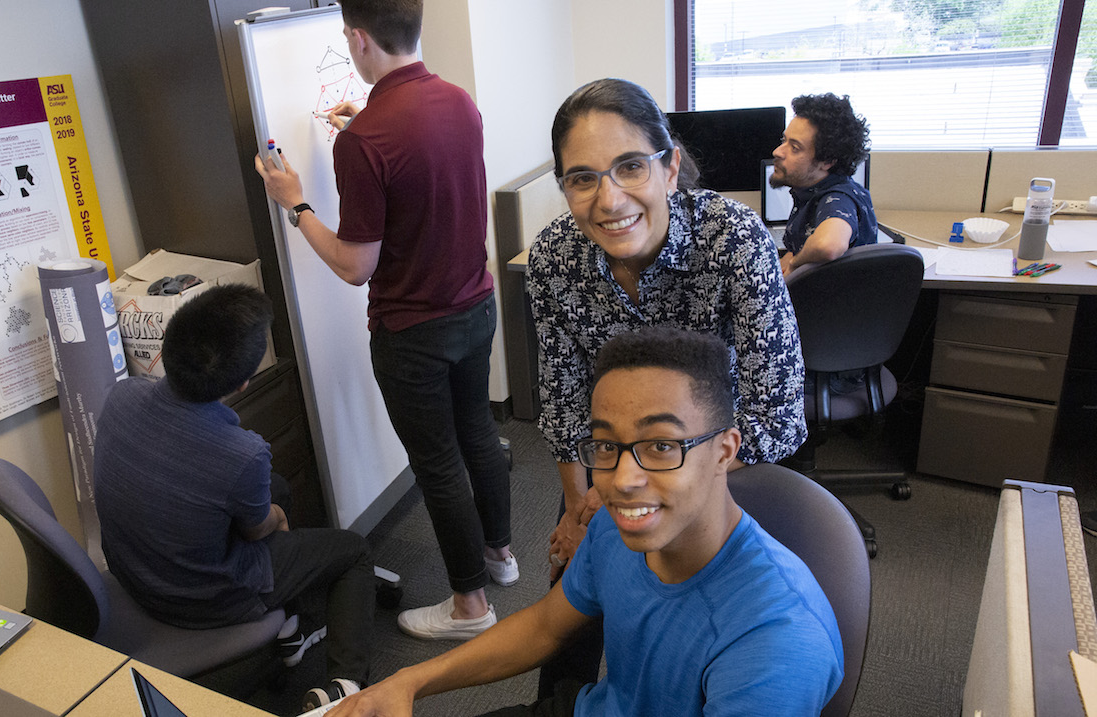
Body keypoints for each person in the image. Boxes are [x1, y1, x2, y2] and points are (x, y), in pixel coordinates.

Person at [329, 327, 843, 716]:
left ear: (725, 452)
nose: (622, 480)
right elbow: (545, 627)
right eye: (606, 445)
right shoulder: (615, 528)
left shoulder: (777, 641)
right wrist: (409, 682)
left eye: (661, 446)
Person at [527, 79, 806, 687]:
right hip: (606, 469)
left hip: (714, 465)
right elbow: (563, 398)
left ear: (671, 167)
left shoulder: (733, 239)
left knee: (700, 639)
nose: (609, 200)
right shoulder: (554, 259)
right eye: (582, 179)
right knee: (566, 621)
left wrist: (651, 478)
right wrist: (579, 505)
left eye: (630, 167)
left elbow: (779, 415)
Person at [253, 0, 515, 648]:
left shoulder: (366, 141)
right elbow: (425, 174)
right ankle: (501, 555)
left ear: (358, 37)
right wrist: (364, 128)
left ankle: (470, 605)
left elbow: (354, 266)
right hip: (476, 307)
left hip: (413, 334)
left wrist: (296, 203)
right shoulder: (458, 101)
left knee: (438, 463)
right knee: (478, 433)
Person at [93, 284, 374, 708]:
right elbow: (259, 530)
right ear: (243, 383)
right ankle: (346, 688)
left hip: (135, 574)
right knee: (352, 551)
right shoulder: (242, 453)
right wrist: (277, 517)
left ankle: (290, 630)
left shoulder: (122, 396)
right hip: (202, 600)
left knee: (276, 487)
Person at [771, 92, 878, 276]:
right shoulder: (813, 191)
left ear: (827, 161)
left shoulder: (838, 198)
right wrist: (791, 256)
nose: (778, 152)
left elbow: (828, 245)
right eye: (784, 141)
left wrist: (796, 263)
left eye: (795, 148)